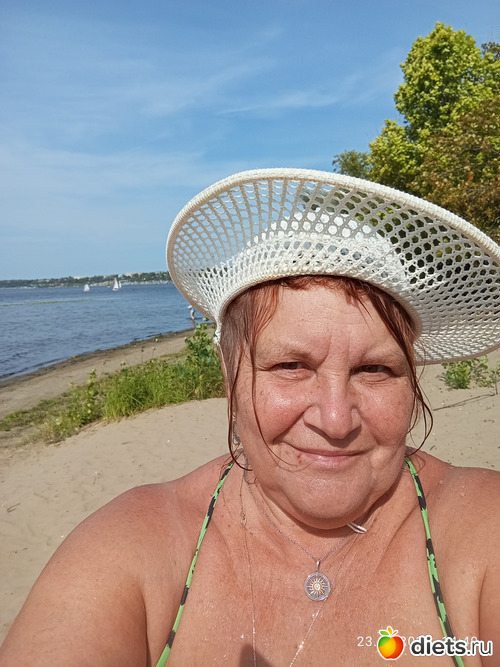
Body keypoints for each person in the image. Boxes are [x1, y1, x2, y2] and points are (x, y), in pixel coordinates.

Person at [1, 168, 499, 666]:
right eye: (291, 366)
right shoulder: (131, 552)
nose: (335, 420)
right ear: (229, 373)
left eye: (374, 369)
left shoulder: (481, 531)